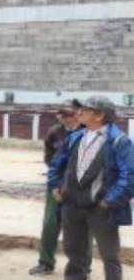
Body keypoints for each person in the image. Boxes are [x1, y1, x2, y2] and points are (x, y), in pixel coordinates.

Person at [48, 96, 134, 280]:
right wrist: (55, 187)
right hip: (72, 204)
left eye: (85, 110)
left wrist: (109, 201)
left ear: (99, 115)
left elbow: (129, 176)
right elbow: (56, 164)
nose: (79, 112)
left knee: (109, 255)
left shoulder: (119, 141)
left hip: (101, 207)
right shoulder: (75, 137)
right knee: (74, 251)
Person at [29, 100, 84, 276]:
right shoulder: (54, 132)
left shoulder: (88, 133)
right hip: (57, 185)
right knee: (50, 224)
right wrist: (56, 185)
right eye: (62, 114)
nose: (64, 118)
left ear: (78, 113)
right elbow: (49, 159)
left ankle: (82, 267)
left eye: (68, 114)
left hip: (81, 187)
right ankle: (45, 263)